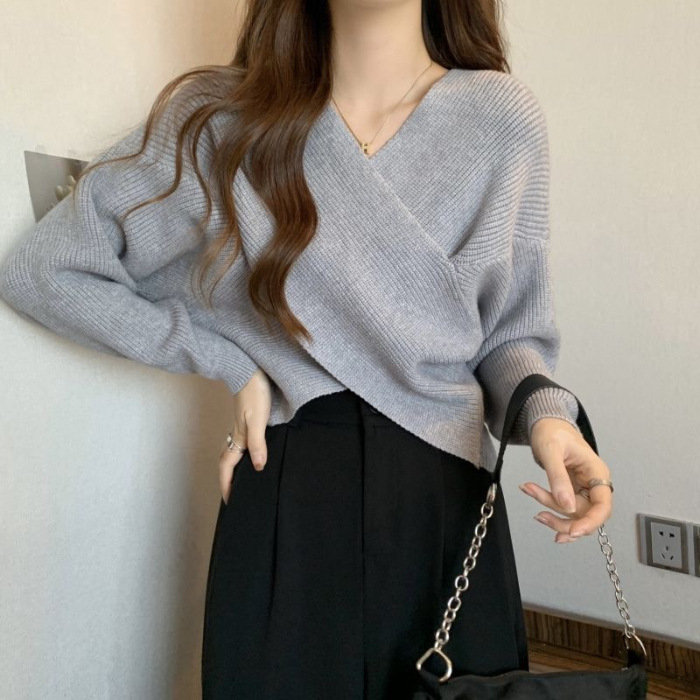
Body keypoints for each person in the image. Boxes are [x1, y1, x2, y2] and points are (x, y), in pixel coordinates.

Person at [0, 0, 614, 698]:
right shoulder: (225, 118)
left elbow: (508, 335)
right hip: (287, 490)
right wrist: (234, 364)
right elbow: (48, 271)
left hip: (443, 498)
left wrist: (549, 419)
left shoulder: (501, 119)